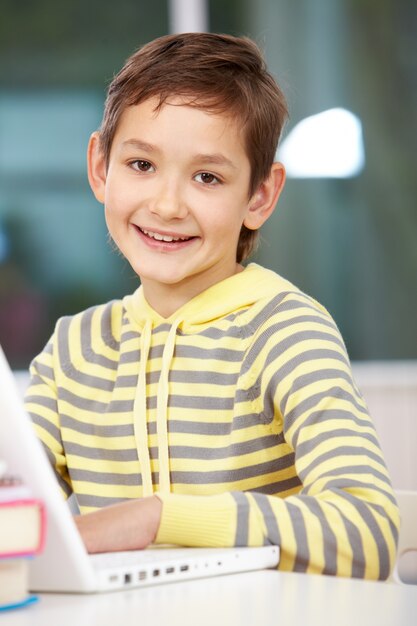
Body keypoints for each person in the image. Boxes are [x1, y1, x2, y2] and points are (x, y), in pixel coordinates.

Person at [24, 32, 399, 579]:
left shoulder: (285, 331)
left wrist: (160, 519)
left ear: (259, 196)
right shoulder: (74, 351)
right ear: (101, 167)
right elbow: (15, 507)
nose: (167, 204)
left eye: (207, 177)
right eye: (141, 165)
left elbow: (367, 531)